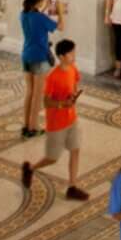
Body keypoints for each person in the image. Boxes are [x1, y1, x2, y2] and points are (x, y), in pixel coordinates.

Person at [30, 39, 91, 200]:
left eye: (74, 52)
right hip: (56, 124)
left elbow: (74, 85)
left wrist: (73, 96)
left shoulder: (73, 69)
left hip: (71, 119)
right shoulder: (53, 77)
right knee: (52, 158)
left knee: (75, 150)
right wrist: (62, 104)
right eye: (71, 53)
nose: (74, 55)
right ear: (62, 56)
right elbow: (46, 102)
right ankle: (31, 168)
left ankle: (72, 187)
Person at [19, 0, 60, 139]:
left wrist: (44, 8)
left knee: (30, 92)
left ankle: (26, 125)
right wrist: (61, 11)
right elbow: (60, 26)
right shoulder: (40, 18)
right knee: (38, 94)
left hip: (26, 55)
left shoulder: (23, 14)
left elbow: (36, 18)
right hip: (39, 57)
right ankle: (34, 127)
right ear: (41, 0)